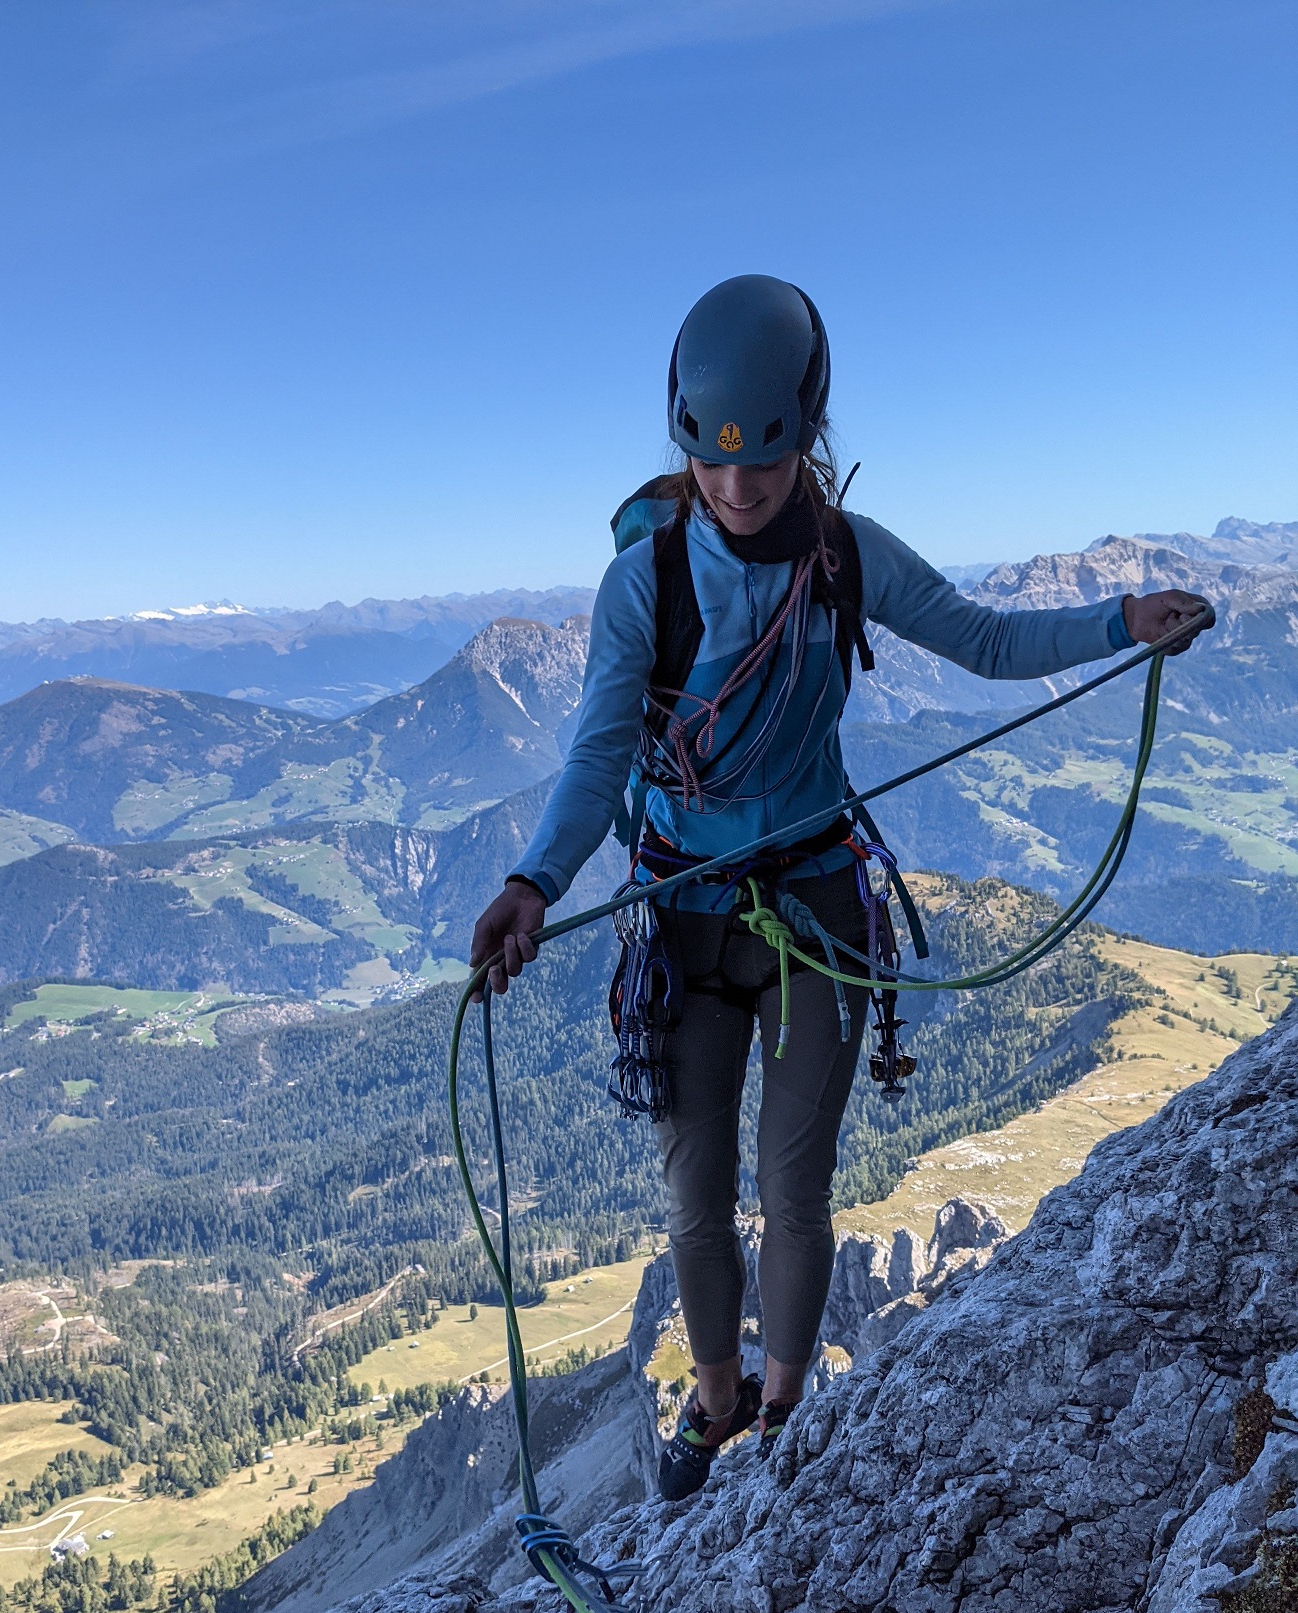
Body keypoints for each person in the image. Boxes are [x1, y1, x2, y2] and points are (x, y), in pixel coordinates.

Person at [468, 274, 1208, 1504]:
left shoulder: (846, 558)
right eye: (713, 464)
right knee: (697, 1197)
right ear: (687, 444)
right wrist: (533, 880)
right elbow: (600, 753)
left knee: (792, 1186)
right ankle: (714, 1406)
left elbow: (986, 642)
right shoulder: (644, 583)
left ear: (808, 434)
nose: (739, 488)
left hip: (813, 906)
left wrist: (1124, 620)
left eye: (764, 462)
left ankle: (788, 1413)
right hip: (685, 914)